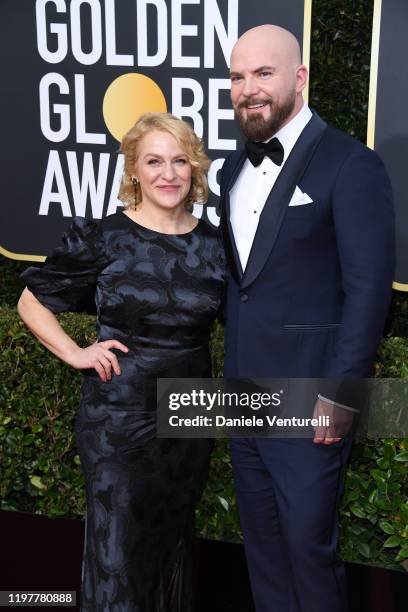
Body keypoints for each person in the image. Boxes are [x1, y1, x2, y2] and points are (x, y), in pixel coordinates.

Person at [18, 112, 226, 612]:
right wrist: (75, 352)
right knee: (118, 552)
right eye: (154, 161)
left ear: (194, 168)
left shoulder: (216, 243)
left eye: (179, 161)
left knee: (169, 546)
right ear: (133, 170)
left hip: (189, 420)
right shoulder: (105, 236)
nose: (168, 173)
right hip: (119, 420)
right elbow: (32, 300)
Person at [219, 25, 395, 612]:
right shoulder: (228, 172)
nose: (249, 90)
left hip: (310, 398)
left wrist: (342, 393)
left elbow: (369, 292)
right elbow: (241, 287)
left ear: (299, 78)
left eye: (263, 74)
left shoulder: (351, 165)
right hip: (242, 394)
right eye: (239, 77)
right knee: (263, 551)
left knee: (306, 549)